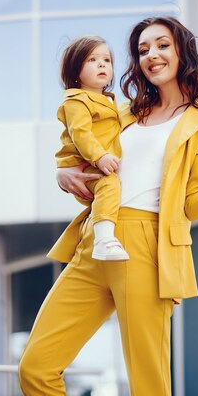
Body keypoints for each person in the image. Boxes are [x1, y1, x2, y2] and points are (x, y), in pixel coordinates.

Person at [19, 16, 198, 396]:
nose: (151, 55)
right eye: (142, 50)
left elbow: (190, 203)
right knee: (35, 368)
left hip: (146, 246)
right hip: (94, 241)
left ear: (181, 51)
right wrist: (63, 174)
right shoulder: (123, 112)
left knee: (148, 385)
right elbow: (81, 154)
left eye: (161, 45)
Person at [55, 36, 129, 261]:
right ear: (75, 71)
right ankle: (104, 240)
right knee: (108, 183)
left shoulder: (110, 101)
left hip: (94, 163)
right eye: (92, 60)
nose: (102, 64)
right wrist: (100, 156)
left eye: (106, 60)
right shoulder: (76, 101)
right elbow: (81, 134)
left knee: (109, 189)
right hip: (85, 164)